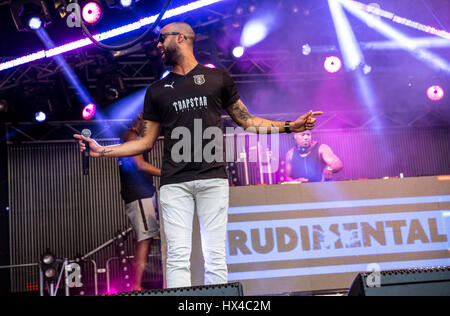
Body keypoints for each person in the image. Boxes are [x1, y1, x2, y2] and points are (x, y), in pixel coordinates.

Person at [74, 22, 322, 289]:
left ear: (180, 38)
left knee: (215, 256)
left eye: (161, 39)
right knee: (177, 257)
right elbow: (145, 141)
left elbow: (247, 121)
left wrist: (290, 127)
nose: (158, 45)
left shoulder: (218, 79)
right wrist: (103, 150)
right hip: (174, 183)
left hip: (212, 179)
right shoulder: (157, 91)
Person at [118, 113, 161, 291]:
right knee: (145, 239)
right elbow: (140, 165)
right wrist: (167, 173)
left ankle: (146, 282)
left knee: (152, 236)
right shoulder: (131, 135)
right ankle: (136, 285)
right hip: (138, 194)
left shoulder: (136, 136)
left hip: (144, 194)